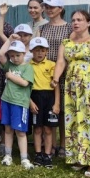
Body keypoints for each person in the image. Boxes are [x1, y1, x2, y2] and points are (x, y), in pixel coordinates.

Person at [53, 10, 90, 177]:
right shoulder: (66, 43)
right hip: (72, 89)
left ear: (88, 23)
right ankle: (79, 157)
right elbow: (60, 62)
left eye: (79, 20)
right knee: (74, 121)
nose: (76, 23)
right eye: (73, 20)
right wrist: (56, 78)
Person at [39, 0, 71, 157]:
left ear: (60, 9)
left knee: (63, 109)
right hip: (45, 73)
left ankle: (64, 144)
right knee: (49, 107)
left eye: (52, 7)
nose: (49, 10)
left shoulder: (69, 27)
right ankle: (51, 143)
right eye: (47, 7)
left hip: (63, 72)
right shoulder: (43, 28)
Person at [0, 40, 35, 170]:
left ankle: (24, 158)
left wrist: (10, 76)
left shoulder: (27, 67)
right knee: (8, 129)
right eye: (12, 55)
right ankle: (8, 155)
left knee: (20, 131)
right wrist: (9, 39)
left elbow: (25, 83)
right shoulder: (10, 64)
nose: (14, 58)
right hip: (6, 100)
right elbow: (1, 54)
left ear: (24, 53)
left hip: (19, 103)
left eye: (17, 55)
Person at [28, 37, 59, 168]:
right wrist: (30, 102)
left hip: (49, 97)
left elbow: (56, 86)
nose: (39, 53)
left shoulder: (52, 65)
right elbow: (25, 87)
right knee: (38, 128)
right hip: (35, 97)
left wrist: (57, 103)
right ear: (31, 51)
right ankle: (38, 154)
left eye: (42, 50)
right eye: (36, 50)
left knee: (48, 128)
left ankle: (47, 155)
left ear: (46, 51)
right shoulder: (28, 65)